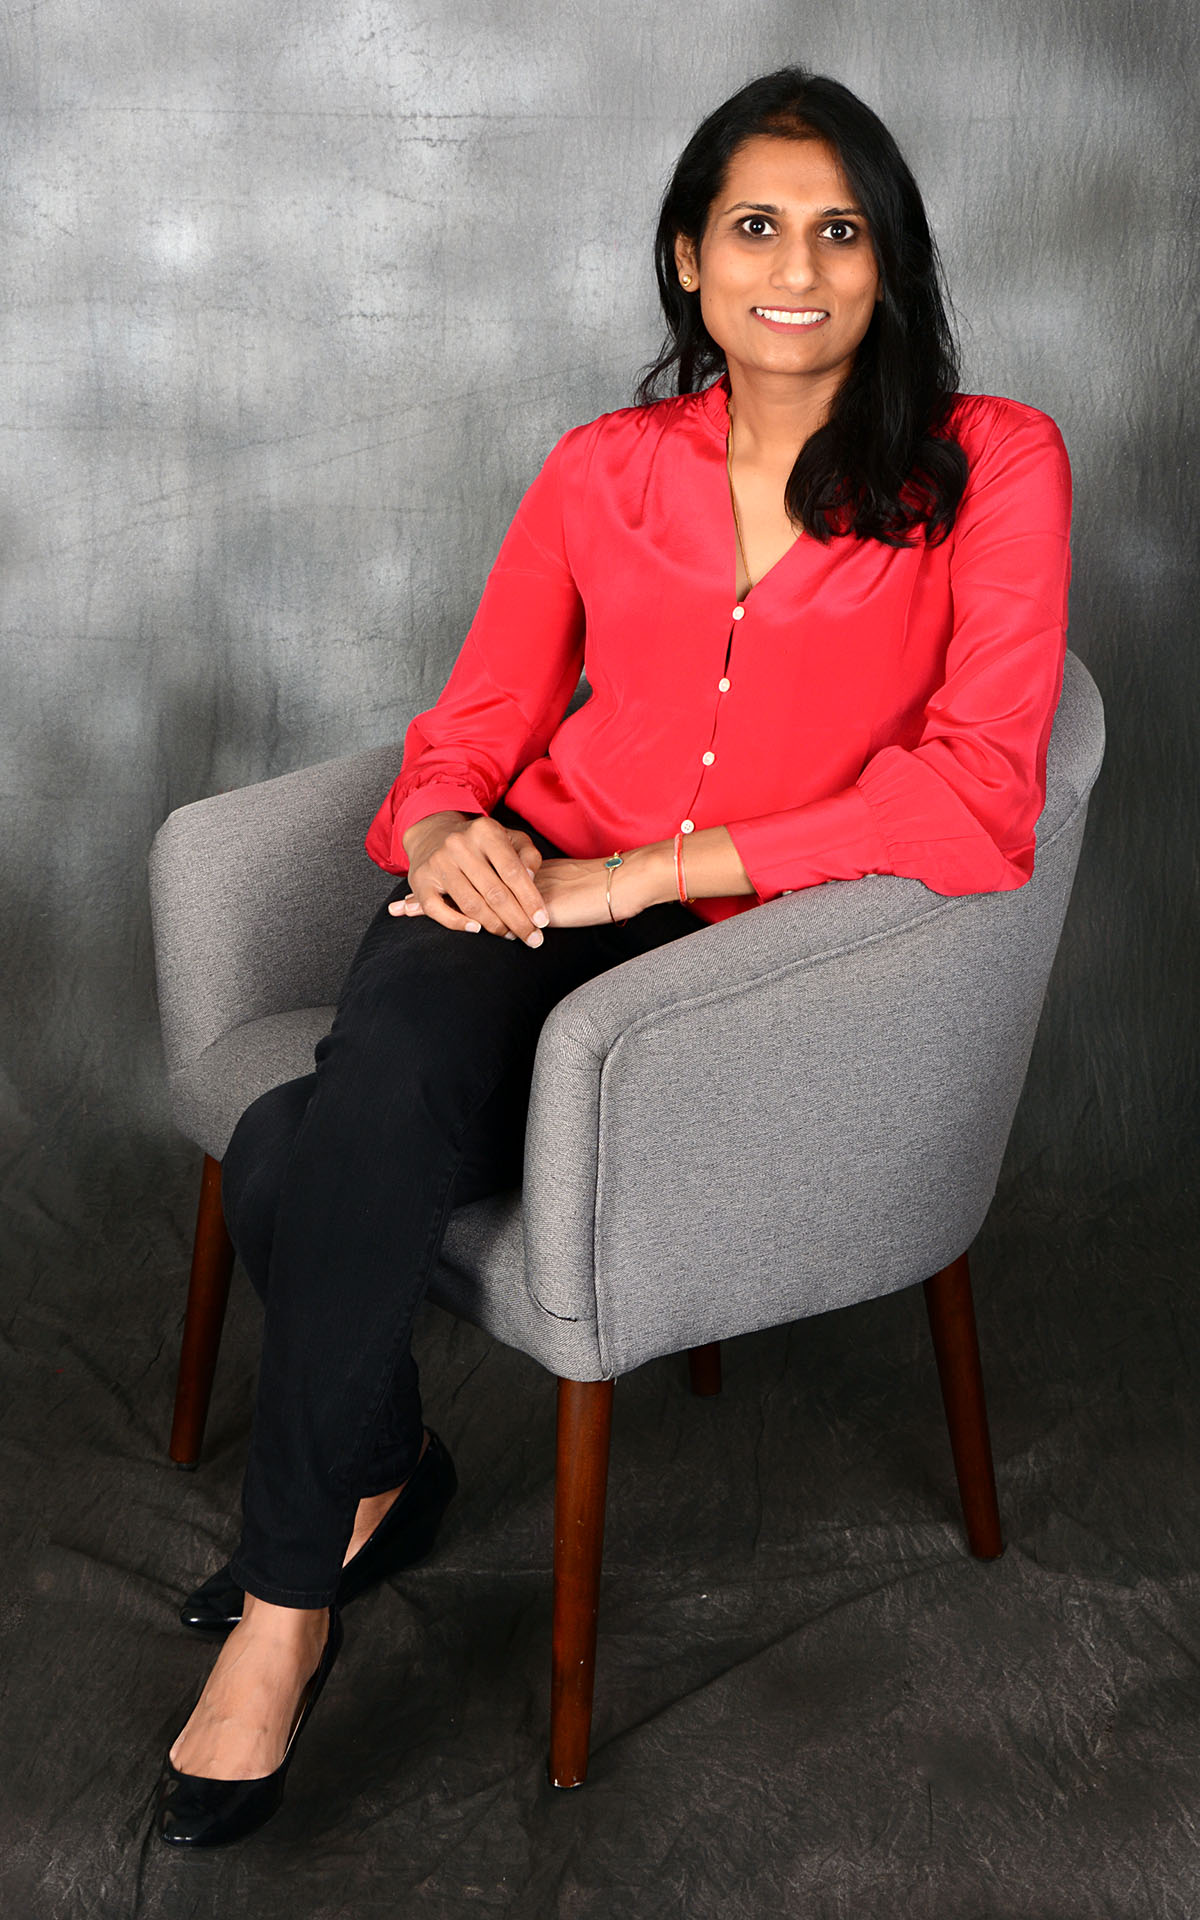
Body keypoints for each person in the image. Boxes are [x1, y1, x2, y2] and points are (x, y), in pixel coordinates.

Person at [154, 66, 1071, 1846]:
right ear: (687, 259)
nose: (794, 265)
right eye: (754, 226)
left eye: (839, 228)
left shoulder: (994, 463)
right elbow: (481, 716)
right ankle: (330, 1546)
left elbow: (979, 797)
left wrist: (644, 873)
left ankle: (291, 1596)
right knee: (360, 1095)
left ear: (888, 264)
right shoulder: (603, 468)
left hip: (762, 960)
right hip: (535, 884)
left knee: (296, 1151)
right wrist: (444, 833)